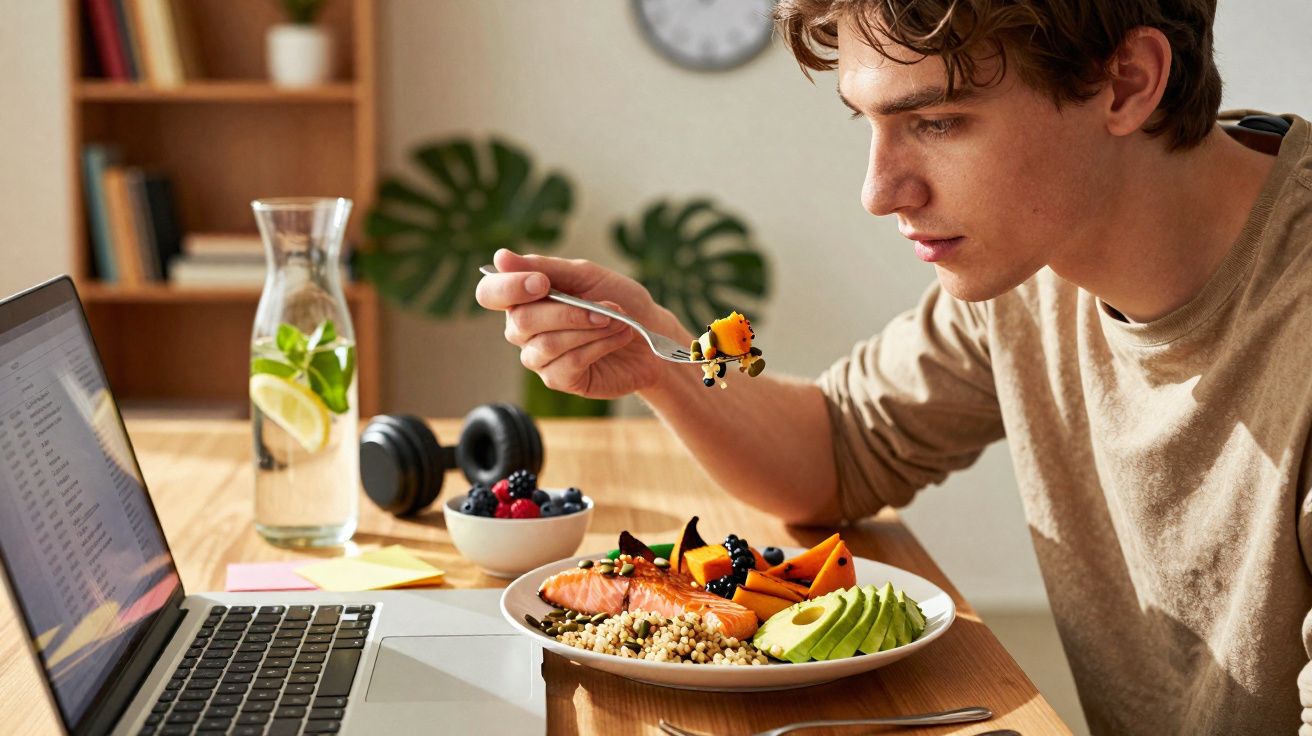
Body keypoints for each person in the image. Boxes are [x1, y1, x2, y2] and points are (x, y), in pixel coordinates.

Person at [476, 1, 1312, 733]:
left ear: (1126, 83)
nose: (879, 191)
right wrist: (656, 356)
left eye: (937, 122)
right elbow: (838, 451)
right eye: (866, 122)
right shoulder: (1035, 260)